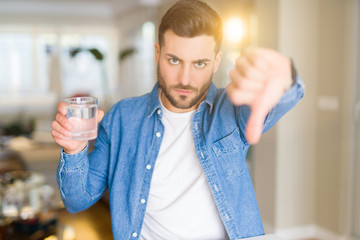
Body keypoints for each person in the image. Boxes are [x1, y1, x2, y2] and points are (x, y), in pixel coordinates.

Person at [51, 0, 304, 239]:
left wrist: (286, 78)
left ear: (216, 62)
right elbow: (76, 200)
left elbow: (279, 97)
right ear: (157, 53)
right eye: (174, 60)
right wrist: (74, 150)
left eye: (200, 64)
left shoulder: (232, 109)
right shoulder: (121, 118)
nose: (185, 78)